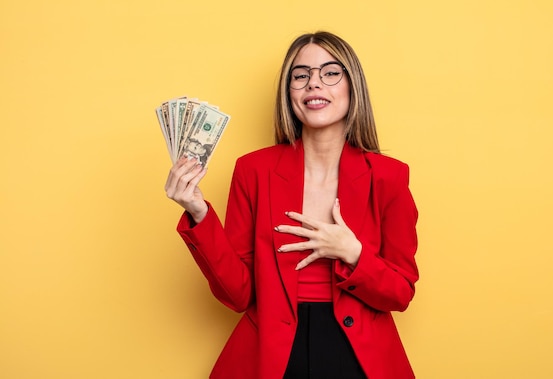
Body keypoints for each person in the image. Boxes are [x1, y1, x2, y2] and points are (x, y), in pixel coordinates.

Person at [165, 31, 419, 379]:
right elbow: (238, 295)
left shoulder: (389, 177)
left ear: (352, 87)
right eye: (301, 76)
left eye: (330, 73)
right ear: (290, 93)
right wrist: (199, 213)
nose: (314, 84)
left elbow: (401, 293)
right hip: (273, 354)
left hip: (357, 355)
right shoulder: (253, 170)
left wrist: (353, 253)